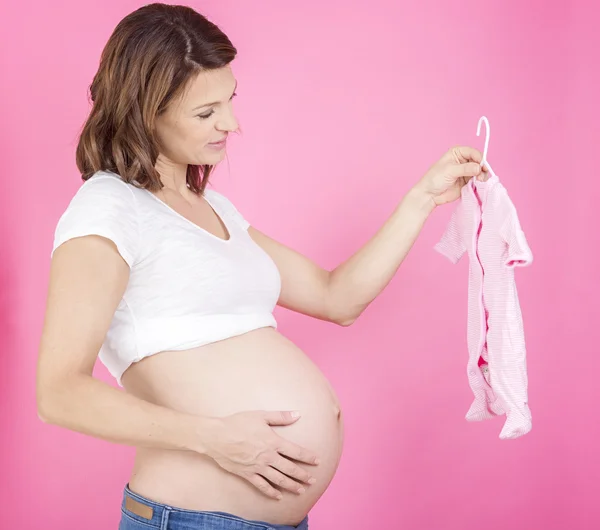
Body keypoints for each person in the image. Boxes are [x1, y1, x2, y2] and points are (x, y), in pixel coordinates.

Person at [36, 3, 489, 530]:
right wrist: (215, 438)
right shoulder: (107, 210)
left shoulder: (215, 210)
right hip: (191, 520)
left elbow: (335, 297)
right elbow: (59, 392)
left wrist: (422, 198)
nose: (231, 123)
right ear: (145, 111)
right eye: (206, 112)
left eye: (229, 101)